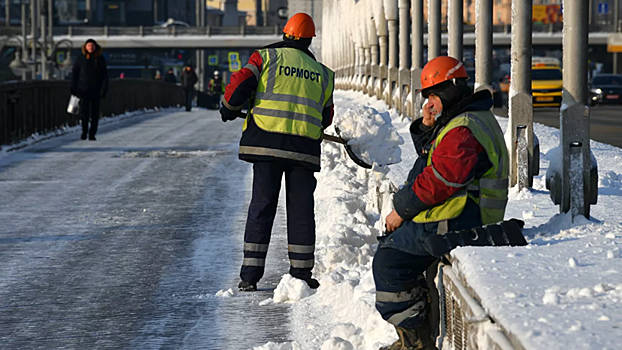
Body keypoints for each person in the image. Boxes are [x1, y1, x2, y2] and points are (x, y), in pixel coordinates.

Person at [372, 56, 509, 350]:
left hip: (463, 217)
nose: (430, 103)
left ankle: (417, 343)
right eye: (427, 97)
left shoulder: (463, 128)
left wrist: (401, 211)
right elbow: (432, 159)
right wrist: (426, 127)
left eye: (434, 94)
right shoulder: (464, 120)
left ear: (452, 90)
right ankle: (416, 334)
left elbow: (439, 180)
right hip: (458, 212)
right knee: (397, 250)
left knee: (390, 261)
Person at [220, 13, 335, 292]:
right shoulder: (323, 73)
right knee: (300, 211)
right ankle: (301, 272)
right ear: (310, 39)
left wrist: (229, 108)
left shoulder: (265, 58)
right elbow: (326, 117)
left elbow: (239, 84)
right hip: (303, 151)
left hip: (266, 142)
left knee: (262, 206)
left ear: (286, 34)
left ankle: (250, 276)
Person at [71, 38, 109, 141]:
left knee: (95, 114)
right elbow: (75, 73)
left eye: (92, 46)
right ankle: (84, 131)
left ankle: (92, 133)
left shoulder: (100, 59)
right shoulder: (81, 59)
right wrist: (73, 88)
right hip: (83, 90)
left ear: (95, 47)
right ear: (85, 47)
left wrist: (104, 89)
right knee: (84, 113)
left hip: (96, 90)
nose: (90, 48)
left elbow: (104, 76)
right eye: (88, 46)